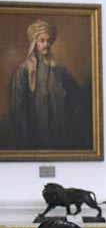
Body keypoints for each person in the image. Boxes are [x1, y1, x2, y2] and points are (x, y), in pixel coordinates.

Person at [8, 18, 90, 150]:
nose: (46, 44)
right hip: (33, 137)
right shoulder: (23, 71)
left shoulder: (60, 70)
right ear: (34, 43)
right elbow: (19, 109)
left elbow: (76, 96)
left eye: (48, 41)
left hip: (58, 135)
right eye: (42, 41)